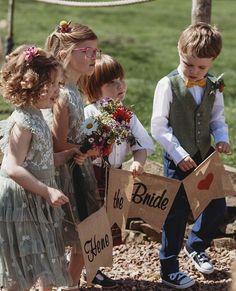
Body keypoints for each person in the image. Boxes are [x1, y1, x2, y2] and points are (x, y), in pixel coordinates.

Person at [151, 22, 231, 289]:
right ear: (179, 51)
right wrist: (178, 152)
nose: (195, 71)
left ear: (212, 62)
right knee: (175, 214)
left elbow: (217, 120)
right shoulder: (167, 84)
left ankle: (195, 245)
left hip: (204, 156)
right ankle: (169, 268)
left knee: (217, 206)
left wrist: (221, 139)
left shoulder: (212, 86)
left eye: (202, 67)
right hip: (177, 160)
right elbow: (158, 126)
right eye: (189, 65)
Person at [0, 45, 80, 291]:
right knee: (23, 269)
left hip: (37, 198)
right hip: (23, 202)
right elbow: (12, 166)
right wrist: (47, 191)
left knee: (43, 259)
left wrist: (67, 155)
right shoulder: (23, 123)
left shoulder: (36, 116)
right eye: (53, 84)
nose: (58, 89)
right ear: (32, 85)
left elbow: (40, 162)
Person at [45, 21, 117, 290]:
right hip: (67, 175)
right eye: (86, 51)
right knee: (77, 234)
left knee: (83, 236)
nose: (93, 57)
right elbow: (56, 145)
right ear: (64, 55)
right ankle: (67, 283)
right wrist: (85, 149)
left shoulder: (74, 91)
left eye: (95, 52)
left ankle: (71, 283)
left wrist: (93, 144)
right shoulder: (62, 96)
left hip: (79, 167)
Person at [84, 53, 155, 205]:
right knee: (92, 212)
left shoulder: (126, 115)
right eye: (112, 82)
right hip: (93, 174)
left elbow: (141, 144)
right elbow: (84, 146)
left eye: (121, 79)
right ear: (95, 87)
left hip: (117, 173)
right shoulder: (90, 113)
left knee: (115, 211)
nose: (120, 85)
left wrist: (138, 162)